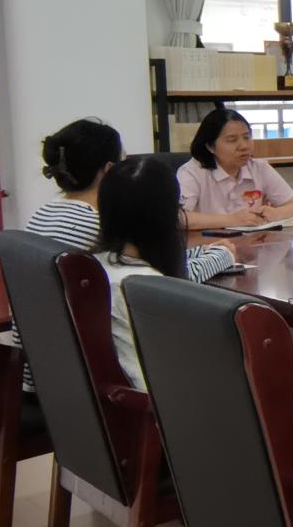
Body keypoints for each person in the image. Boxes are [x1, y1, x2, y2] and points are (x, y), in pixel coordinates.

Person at [16, 119, 233, 389]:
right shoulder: (94, 226)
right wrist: (221, 255)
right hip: (86, 378)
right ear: (110, 171)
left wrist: (202, 251)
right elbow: (159, 284)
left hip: (47, 365)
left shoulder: (48, 211)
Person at [94, 157, 234, 391]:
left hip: (124, 400)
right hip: (164, 403)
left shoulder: (96, 266)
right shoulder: (149, 289)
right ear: (166, 217)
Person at [177, 108, 293, 230]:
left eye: (247, 137)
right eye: (232, 140)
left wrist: (276, 213)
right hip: (208, 244)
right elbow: (179, 217)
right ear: (210, 146)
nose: (244, 146)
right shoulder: (192, 172)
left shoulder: (259, 168)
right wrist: (232, 220)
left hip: (253, 242)